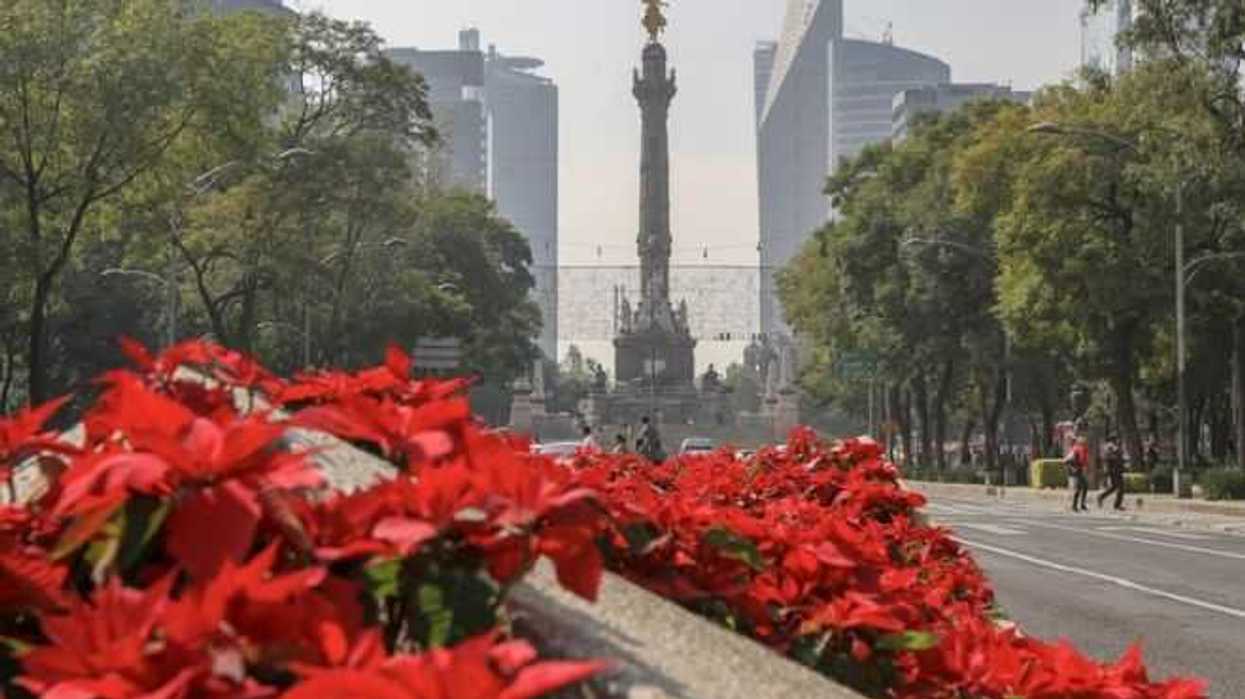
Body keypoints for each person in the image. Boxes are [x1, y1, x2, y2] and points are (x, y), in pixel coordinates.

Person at [1098, 434, 1127, 511]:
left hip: (1116, 469)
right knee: (1121, 488)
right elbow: (1110, 456)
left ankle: (1101, 497)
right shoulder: (1110, 446)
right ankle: (1117, 505)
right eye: (1115, 439)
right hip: (1114, 470)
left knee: (1114, 487)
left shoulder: (1112, 446)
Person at [1064, 436, 1090, 512]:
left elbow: (1084, 461)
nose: (1085, 443)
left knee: (1084, 487)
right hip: (1077, 471)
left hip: (1080, 470)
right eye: (1083, 442)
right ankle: (1075, 506)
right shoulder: (1076, 449)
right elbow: (1066, 461)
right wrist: (1073, 468)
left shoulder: (1082, 449)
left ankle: (1081, 504)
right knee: (1080, 488)